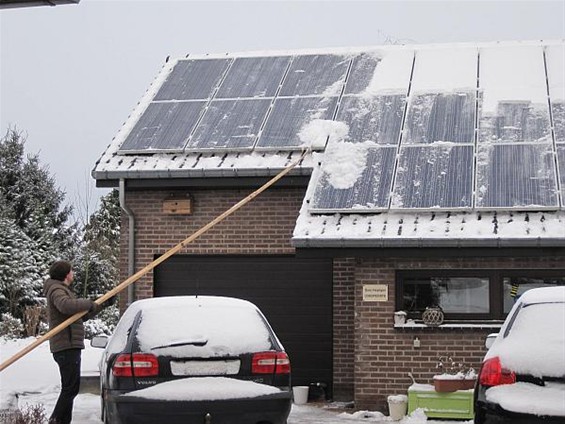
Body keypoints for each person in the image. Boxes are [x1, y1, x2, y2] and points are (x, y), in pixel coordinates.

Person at [43, 260, 103, 424]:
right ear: (66, 274)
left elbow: (80, 316)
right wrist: (88, 303)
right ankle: (55, 420)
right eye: (72, 271)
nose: (73, 273)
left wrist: (99, 305)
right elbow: (65, 306)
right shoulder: (57, 290)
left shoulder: (63, 290)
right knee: (70, 388)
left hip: (69, 345)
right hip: (65, 345)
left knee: (70, 388)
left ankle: (62, 421)